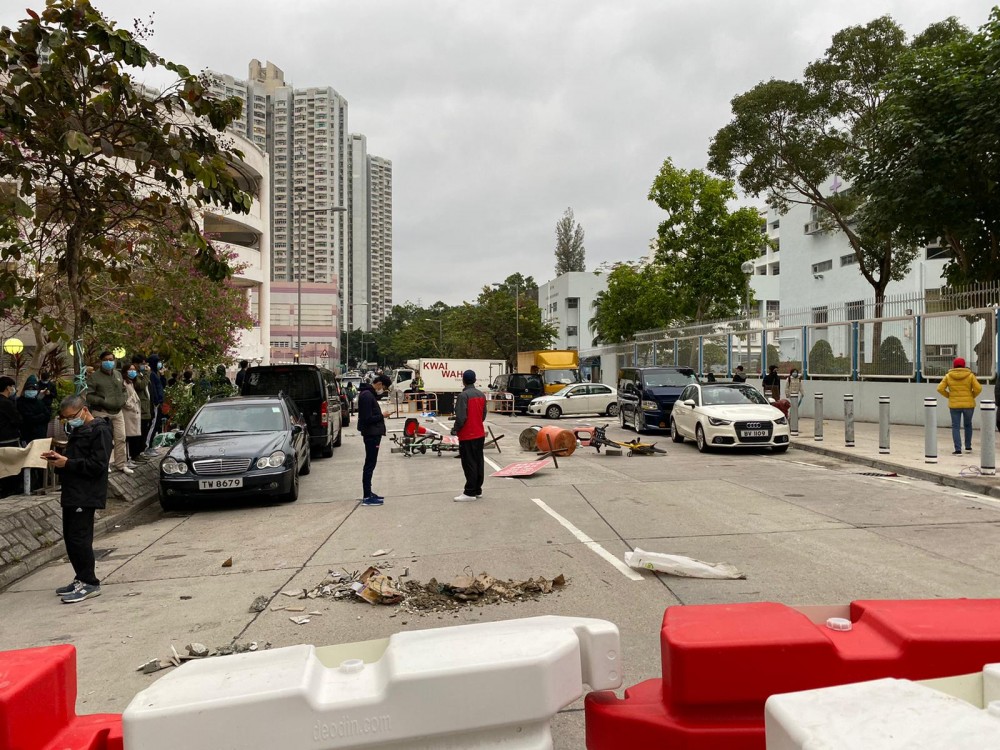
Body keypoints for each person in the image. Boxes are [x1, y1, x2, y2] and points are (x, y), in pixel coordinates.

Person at [40, 394, 113, 603]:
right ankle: (80, 577)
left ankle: (90, 582)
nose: (70, 421)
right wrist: (59, 460)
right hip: (72, 491)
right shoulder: (79, 430)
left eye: (72, 416)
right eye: (65, 418)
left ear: (85, 410)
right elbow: (75, 459)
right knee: (71, 539)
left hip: (86, 493)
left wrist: (68, 464)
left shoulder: (100, 430)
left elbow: (98, 465)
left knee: (80, 539)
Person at [85, 351, 132, 474]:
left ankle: (121, 464)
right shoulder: (94, 377)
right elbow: (88, 396)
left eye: (111, 359)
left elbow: (123, 389)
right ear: (101, 361)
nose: (109, 362)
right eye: (106, 360)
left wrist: (123, 399)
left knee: (121, 438)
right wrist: (102, 400)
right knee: (103, 440)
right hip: (102, 412)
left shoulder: (118, 374)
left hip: (117, 411)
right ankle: (104, 464)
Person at [452, 369, 488, 502]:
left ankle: (469, 492)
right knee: (478, 462)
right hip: (479, 433)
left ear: (463, 380)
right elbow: (484, 414)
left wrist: (455, 428)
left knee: (469, 463)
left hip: (468, 434)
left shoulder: (463, 396)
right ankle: (478, 489)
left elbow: (461, 417)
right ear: (474, 379)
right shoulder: (481, 395)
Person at [357, 374, 391, 506]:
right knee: (370, 464)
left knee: (371, 463)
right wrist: (381, 416)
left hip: (373, 433)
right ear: (379, 384)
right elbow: (367, 418)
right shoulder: (366, 395)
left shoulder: (368, 394)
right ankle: (367, 496)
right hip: (371, 434)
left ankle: (369, 492)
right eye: (383, 387)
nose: (382, 390)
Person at [937, 357, 982, 455]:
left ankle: (958, 449)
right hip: (969, 404)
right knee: (968, 425)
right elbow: (978, 388)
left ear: (954, 365)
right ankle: (968, 446)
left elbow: (940, 388)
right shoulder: (970, 376)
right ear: (964, 365)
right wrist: (971, 396)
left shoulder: (948, 376)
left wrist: (949, 396)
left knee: (955, 426)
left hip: (954, 405)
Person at [17, 375, 51, 491]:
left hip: (41, 437)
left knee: (41, 461)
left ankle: (42, 484)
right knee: (28, 462)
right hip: (27, 437)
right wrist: (39, 417)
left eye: (33, 389)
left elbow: (47, 415)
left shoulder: (39, 402)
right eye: (29, 389)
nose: (31, 392)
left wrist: (39, 417)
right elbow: (27, 418)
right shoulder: (20, 403)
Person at [122, 364, 143, 469]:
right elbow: (125, 400)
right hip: (128, 414)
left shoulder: (131, 383)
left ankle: (129, 458)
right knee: (126, 438)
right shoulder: (124, 383)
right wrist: (132, 406)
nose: (133, 372)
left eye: (134, 370)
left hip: (133, 414)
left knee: (131, 437)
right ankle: (126, 460)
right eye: (130, 370)